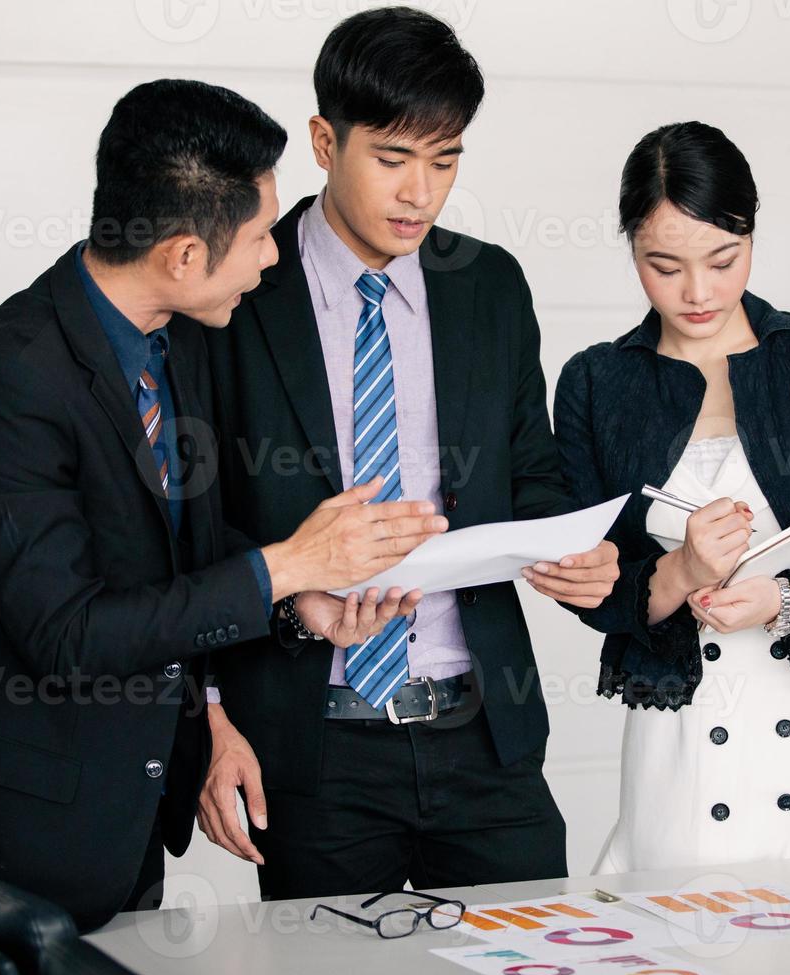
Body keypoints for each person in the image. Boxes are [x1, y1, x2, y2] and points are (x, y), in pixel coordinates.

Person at [0, 79, 444, 930]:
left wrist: (295, 605)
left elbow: (176, 551)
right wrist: (287, 563)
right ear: (185, 253)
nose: (271, 259)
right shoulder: (8, 385)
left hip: (127, 821)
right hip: (26, 835)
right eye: (260, 237)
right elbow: (70, 636)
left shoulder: (166, 339)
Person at [196, 7, 619, 900]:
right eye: (393, 158)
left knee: (537, 958)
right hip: (315, 748)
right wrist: (245, 661)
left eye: (446, 159)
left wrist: (578, 555)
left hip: (483, 739)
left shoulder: (489, 285)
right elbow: (193, 523)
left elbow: (531, 473)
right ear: (323, 141)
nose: (420, 193)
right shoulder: (239, 291)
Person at [551, 121, 790, 873]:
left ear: (751, 236)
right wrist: (681, 575)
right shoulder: (598, 382)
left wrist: (788, 599)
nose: (697, 292)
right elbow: (593, 587)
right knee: (679, 934)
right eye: (663, 266)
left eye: (722, 260)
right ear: (630, 245)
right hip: (686, 736)